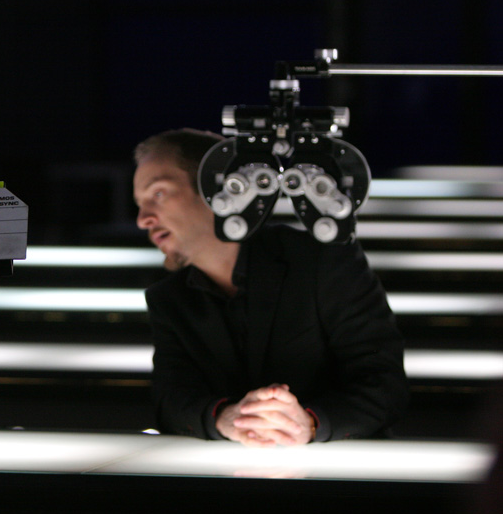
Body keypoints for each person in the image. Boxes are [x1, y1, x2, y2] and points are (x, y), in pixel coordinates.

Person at [132, 128, 409, 447]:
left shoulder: (322, 260)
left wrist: (309, 422)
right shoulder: (168, 299)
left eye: (158, 194)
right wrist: (225, 417)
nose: (143, 219)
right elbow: (169, 400)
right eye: (139, 203)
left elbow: (384, 384)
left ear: (217, 189)